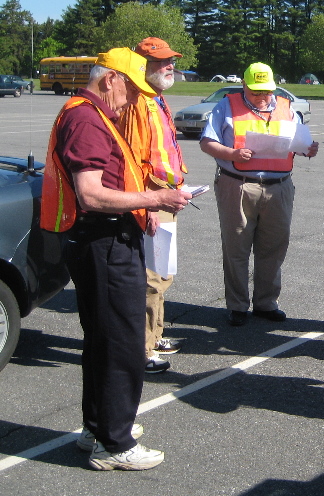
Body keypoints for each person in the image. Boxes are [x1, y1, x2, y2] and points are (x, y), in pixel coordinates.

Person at [40, 47, 191, 469]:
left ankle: (100, 427)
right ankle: (115, 443)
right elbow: (90, 193)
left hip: (103, 239)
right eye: (130, 88)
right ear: (110, 80)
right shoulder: (87, 118)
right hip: (103, 240)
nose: (132, 99)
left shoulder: (89, 113)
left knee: (105, 341)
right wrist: (155, 198)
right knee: (122, 343)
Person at [200, 62, 318, 326]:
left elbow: (300, 143)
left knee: (273, 248)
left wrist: (308, 149)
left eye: (266, 92)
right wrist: (230, 153)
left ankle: (266, 303)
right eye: (256, 92)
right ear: (244, 85)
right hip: (238, 184)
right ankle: (238, 306)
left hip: (279, 187)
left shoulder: (287, 109)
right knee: (236, 248)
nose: (262, 97)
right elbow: (207, 142)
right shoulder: (225, 106)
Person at [119, 37, 188, 374]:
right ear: (141, 66)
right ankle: (141, 349)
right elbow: (132, 159)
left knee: (163, 273)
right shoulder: (137, 103)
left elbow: (166, 150)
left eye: (170, 60)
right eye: (161, 62)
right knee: (149, 278)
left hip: (167, 195)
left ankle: (155, 334)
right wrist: (146, 205)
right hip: (151, 198)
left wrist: (179, 181)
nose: (169, 66)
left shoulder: (156, 98)